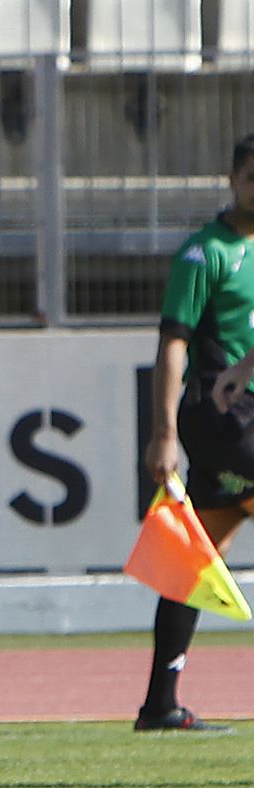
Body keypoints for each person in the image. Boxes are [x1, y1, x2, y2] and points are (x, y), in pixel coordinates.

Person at [134, 133, 254, 734]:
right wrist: (164, 432)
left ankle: (160, 703)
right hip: (223, 420)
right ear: (233, 179)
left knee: (198, 554)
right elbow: (173, 342)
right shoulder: (206, 254)